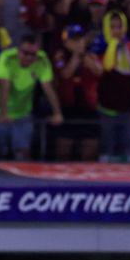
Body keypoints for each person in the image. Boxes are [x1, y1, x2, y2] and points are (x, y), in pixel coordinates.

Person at [0, 30, 63, 160]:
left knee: (23, 154)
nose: (29, 58)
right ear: (18, 50)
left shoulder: (42, 60)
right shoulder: (7, 57)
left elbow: (48, 88)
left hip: (23, 113)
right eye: (25, 53)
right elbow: (5, 85)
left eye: (33, 54)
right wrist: (4, 113)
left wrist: (57, 112)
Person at [95, 10, 130, 162]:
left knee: (128, 157)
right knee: (106, 158)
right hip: (105, 113)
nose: (116, 31)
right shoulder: (98, 47)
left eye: (119, 27)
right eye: (112, 27)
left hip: (128, 113)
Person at [52, 23, 100, 160]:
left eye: (80, 39)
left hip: (88, 108)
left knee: (89, 153)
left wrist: (84, 56)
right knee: (63, 153)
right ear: (65, 42)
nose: (78, 43)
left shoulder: (91, 55)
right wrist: (76, 57)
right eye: (73, 40)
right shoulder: (60, 57)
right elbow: (65, 74)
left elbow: (99, 71)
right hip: (68, 109)